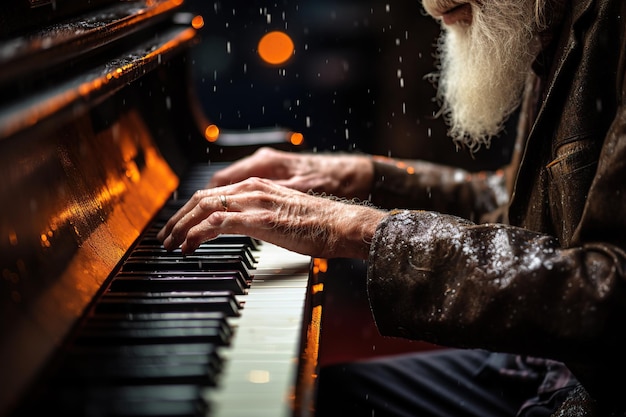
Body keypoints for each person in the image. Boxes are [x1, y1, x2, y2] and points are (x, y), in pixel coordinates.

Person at [157, 0, 626, 415]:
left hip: (585, 389)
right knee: (317, 397)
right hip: (541, 364)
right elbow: (508, 204)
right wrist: (364, 176)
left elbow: (611, 293)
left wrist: (361, 228)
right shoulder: (551, 14)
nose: (431, 6)